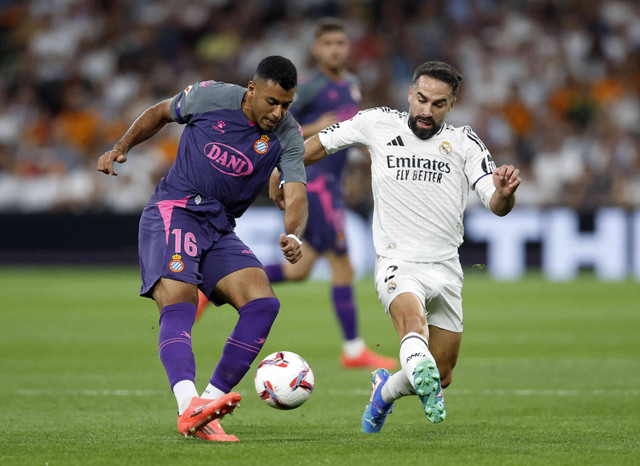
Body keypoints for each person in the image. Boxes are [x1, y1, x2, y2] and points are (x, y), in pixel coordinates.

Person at [270, 61, 521, 432]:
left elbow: (496, 204)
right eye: (421, 99)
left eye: (438, 104)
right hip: (397, 262)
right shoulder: (377, 123)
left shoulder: (466, 144)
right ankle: (415, 373)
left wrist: (504, 194)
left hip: (446, 268)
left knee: (443, 373)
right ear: (410, 94)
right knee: (411, 323)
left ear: (451, 105)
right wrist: (283, 170)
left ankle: (384, 392)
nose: (426, 110)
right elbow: (321, 144)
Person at [97, 56, 308, 442]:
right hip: (174, 209)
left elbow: (295, 194)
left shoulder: (288, 136)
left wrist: (293, 234)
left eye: (286, 105)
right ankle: (187, 404)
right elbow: (161, 112)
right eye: (272, 102)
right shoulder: (210, 97)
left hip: (218, 226)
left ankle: (207, 408)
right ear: (252, 88)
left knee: (263, 304)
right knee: (179, 301)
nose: (278, 113)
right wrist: (122, 145)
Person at [197, 18, 396, 371]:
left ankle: (214, 284)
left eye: (341, 43)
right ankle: (353, 350)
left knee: (298, 272)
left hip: (331, 184)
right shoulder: (308, 88)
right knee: (343, 265)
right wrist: (317, 130)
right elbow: (278, 126)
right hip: (311, 184)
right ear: (316, 50)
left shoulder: (351, 85)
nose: (336, 49)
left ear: (348, 48)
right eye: (328, 43)